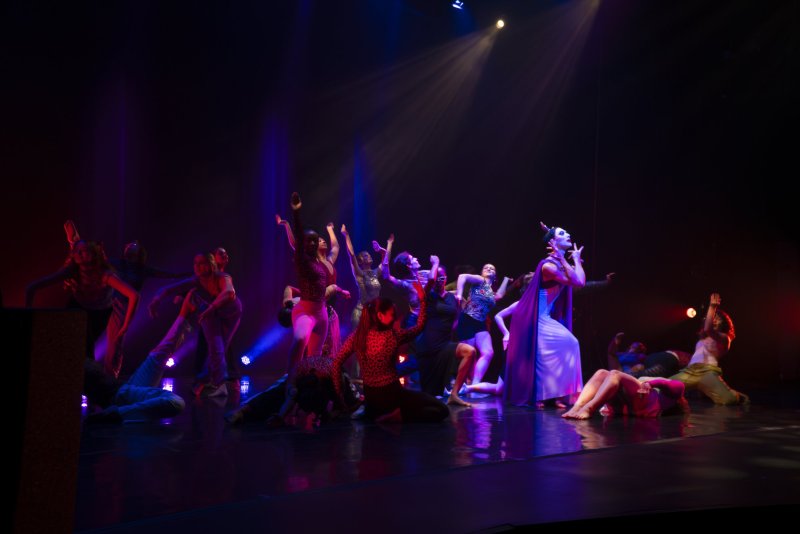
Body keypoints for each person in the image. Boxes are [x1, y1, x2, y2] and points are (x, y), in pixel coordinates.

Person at [330, 277, 450, 423]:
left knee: (426, 405)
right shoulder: (392, 335)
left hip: (372, 396)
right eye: (392, 314)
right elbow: (419, 327)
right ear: (380, 316)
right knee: (441, 410)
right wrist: (423, 301)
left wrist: (339, 397)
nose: (394, 318)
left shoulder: (358, 336)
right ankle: (396, 416)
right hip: (392, 394)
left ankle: (379, 413)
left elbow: (336, 363)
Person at [504, 223, 585, 408]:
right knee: (562, 347)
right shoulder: (548, 265)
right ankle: (538, 395)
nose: (569, 234)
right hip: (534, 318)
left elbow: (580, 280)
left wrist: (577, 259)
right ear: (554, 242)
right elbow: (578, 282)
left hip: (545, 316)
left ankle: (556, 395)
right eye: (563, 233)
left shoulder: (558, 263)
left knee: (556, 351)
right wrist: (570, 261)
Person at [83, 294, 198, 423]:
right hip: (118, 396)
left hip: (124, 389)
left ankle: (185, 313)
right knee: (176, 402)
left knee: (159, 354)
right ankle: (115, 415)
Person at [26, 240, 139, 370]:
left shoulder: (104, 275)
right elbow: (33, 287)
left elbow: (134, 295)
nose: (79, 253)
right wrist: (28, 313)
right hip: (77, 307)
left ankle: (88, 380)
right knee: (67, 342)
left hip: (98, 313)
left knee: (86, 349)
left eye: (83, 250)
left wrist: (125, 325)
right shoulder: (72, 271)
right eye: (76, 251)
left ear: (93, 254)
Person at [148, 253, 241, 397]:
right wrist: (156, 299)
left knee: (222, 345)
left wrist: (212, 307)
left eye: (201, 263)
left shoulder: (222, 276)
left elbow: (229, 292)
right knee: (216, 346)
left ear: (211, 264)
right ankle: (217, 382)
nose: (197, 267)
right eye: (195, 263)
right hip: (211, 313)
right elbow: (168, 289)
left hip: (231, 312)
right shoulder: (197, 280)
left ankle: (215, 381)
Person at [409, 261, 474, 406]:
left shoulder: (452, 298)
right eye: (437, 277)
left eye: (442, 277)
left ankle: (455, 394)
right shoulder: (428, 296)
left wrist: (449, 330)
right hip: (429, 347)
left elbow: (457, 317)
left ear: (446, 278)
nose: (439, 280)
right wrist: (435, 262)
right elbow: (431, 280)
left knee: (470, 352)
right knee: (430, 395)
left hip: (444, 344)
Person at [669, 293, 748, 405]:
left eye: (718, 318)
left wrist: (712, 307)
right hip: (690, 371)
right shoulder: (702, 338)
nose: (714, 320)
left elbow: (708, 329)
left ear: (724, 323)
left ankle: (736, 395)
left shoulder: (725, 338)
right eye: (713, 317)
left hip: (708, 371)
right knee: (666, 386)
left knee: (728, 400)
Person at [455, 264, 511, 384]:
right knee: (470, 355)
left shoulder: (490, 291)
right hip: (468, 320)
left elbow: (500, 295)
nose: (489, 269)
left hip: (480, 323)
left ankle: (475, 384)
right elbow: (462, 276)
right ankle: (465, 384)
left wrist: (506, 279)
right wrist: (459, 294)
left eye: (492, 268)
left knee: (488, 352)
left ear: (495, 275)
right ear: (481, 272)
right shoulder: (480, 280)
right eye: (486, 268)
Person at [562, 369, 688, 419]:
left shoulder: (671, 394)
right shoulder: (644, 381)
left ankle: (589, 408)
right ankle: (577, 407)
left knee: (615, 374)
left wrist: (651, 384)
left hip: (644, 402)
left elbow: (679, 385)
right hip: (626, 405)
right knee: (602, 373)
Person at [340, 224, 392, 329]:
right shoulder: (359, 273)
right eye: (365, 255)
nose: (369, 256)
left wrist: (388, 244)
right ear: (360, 261)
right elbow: (352, 255)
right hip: (361, 314)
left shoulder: (375, 273)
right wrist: (346, 235)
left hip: (374, 312)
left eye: (369, 254)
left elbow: (386, 261)